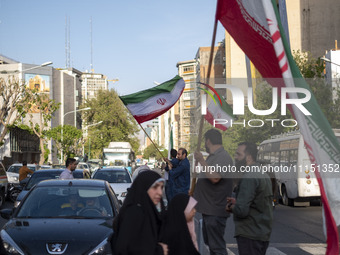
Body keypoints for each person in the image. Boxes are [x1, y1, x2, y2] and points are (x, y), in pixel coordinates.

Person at [226, 142, 273, 255]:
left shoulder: (248, 177)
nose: (235, 158)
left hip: (250, 234)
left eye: (238, 154)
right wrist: (238, 201)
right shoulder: (263, 174)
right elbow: (258, 201)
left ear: (249, 157)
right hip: (262, 233)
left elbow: (242, 210)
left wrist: (231, 207)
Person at [193, 129, 234, 255]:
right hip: (209, 210)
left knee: (217, 247)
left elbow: (215, 177)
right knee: (212, 245)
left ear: (208, 140)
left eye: (205, 141)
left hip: (215, 210)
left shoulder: (223, 157)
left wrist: (201, 161)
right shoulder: (213, 157)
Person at [112, 170, 168, 255]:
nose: (160, 192)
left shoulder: (152, 211)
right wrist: (159, 251)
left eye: (161, 187)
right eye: (155, 187)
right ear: (144, 188)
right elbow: (127, 248)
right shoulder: (134, 214)